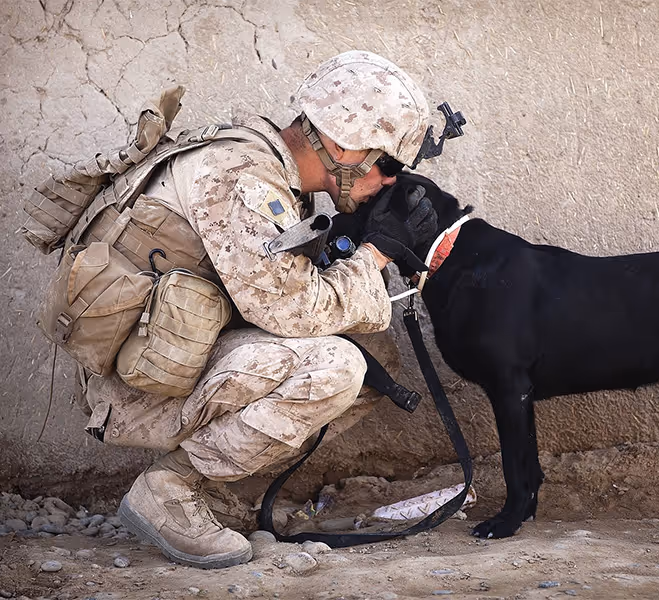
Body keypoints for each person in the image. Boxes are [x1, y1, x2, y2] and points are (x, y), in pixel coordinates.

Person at [77, 51, 441, 569]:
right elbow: (292, 310)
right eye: (387, 166)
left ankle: (209, 485)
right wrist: (375, 254)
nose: (388, 181)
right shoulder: (241, 178)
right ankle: (172, 488)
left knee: (374, 359)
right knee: (339, 368)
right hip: (134, 388)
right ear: (341, 144)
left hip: (167, 355)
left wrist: (351, 242)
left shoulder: (264, 167)